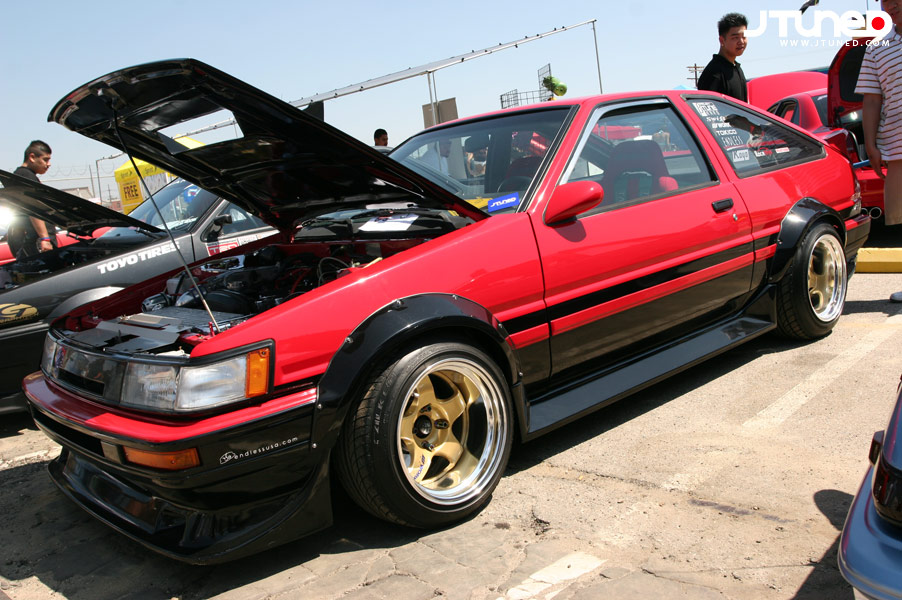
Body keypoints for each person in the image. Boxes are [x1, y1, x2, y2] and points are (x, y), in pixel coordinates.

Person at [857, 0, 902, 302]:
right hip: (897, 147)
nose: (891, 4)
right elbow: (872, 100)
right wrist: (871, 144)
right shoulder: (876, 48)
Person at [8, 140, 54, 258]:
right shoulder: (27, 176)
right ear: (32, 157)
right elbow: (33, 208)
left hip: (28, 239)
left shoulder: (18, 174)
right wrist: (45, 238)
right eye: (45, 159)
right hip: (36, 241)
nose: (49, 164)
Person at [697, 13, 749, 102]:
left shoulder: (737, 69)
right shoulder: (714, 73)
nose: (741, 41)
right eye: (735, 37)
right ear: (722, 40)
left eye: (744, 37)